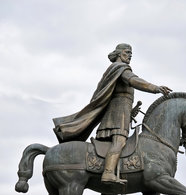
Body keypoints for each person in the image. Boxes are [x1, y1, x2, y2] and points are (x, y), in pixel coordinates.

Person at [53, 43, 172, 184]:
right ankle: (108, 174)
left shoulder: (116, 71)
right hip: (116, 117)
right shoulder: (121, 69)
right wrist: (155, 88)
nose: (130, 56)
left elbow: (118, 98)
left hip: (119, 115)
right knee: (119, 143)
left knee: (111, 147)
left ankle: (109, 191)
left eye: (131, 54)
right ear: (119, 53)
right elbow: (134, 81)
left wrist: (130, 113)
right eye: (127, 52)